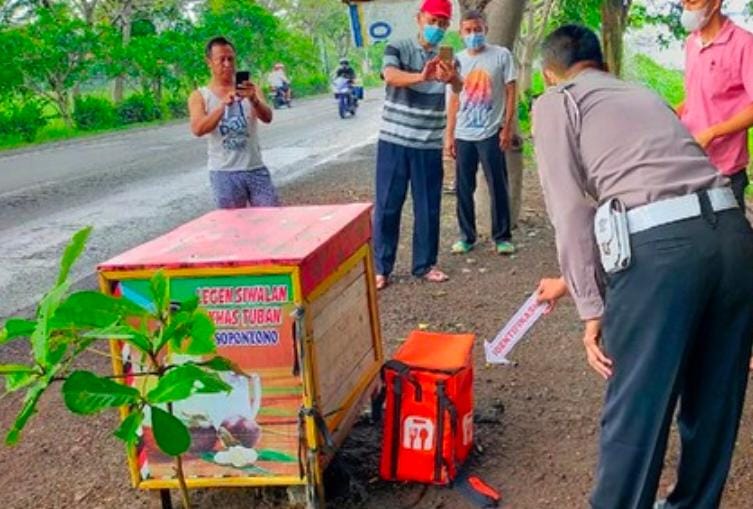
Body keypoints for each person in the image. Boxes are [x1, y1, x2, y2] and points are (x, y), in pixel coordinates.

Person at [533, 25, 753, 509]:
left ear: (552, 74)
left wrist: (592, 306)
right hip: (735, 238)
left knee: (638, 405)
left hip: (665, 255)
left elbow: (570, 211)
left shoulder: (557, 101)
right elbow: (669, 193)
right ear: (602, 66)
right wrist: (572, 285)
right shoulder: (642, 93)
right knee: (714, 401)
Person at [373, 0, 462, 290]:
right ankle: (381, 267)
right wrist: (421, 77)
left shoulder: (449, 58)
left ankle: (424, 264)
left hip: (427, 142)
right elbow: (390, 76)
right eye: (433, 20)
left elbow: (459, 87)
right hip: (395, 140)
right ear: (419, 18)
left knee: (428, 207)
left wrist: (453, 78)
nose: (437, 27)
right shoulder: (397, 47)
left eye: (443, 23)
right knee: (388, 205)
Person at [445, 9, 516, 256]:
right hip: (464, 135)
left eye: (477, 29)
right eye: (468, 30)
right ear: (461, 33)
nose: (473, 34)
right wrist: (449, 134)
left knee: (498, 184)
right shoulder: (456, 60)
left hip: (490, 133)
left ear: (485, 29)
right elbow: (454, 99)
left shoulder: (501, 56)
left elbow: (510, 91)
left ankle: (502, 236)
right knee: (463, 187)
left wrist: (507, 127)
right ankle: (466, 236)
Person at [677, 0, 753, 209]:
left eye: (693, 2)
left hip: (725, 171)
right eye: (684, 2)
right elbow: (697, 97)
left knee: (730, 238)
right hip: (690, 162)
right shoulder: (691, 43)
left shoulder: (744, 44)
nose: (687, 8)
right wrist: (673, 113)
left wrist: (712, 133)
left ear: (716, 3)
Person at [188, 37, 279, 209]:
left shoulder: (251, 89)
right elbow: (198, 129)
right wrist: (222, 105)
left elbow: (267, 118)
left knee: (272, 218)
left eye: (230, 59)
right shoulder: (200, 96)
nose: (227, 64)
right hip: (224, 172)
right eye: (221, 59)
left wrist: (254, 100)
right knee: (233, 226)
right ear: (209, 62)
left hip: (255, 167)